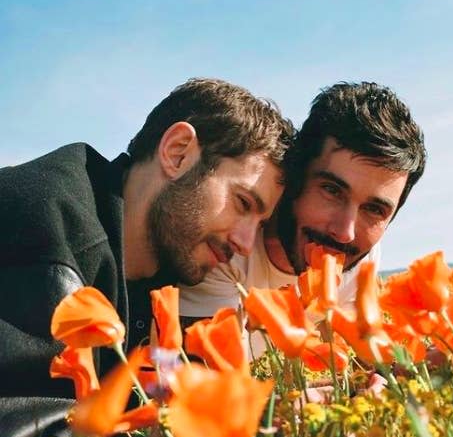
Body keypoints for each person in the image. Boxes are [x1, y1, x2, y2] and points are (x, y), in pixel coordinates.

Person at [0, 78, 293, 435]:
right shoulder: (48, 234)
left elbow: (153, 397)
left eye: (261, 225)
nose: (247, 244)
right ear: (178, 152)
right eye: (243, 203)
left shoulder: (160, 269)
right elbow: (28, 422)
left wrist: (270, 416)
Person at [179, 82, 427, 349]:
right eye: (332, 190)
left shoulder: (359, 255)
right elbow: (211, 382)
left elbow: (348, 361)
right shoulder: (226, 245)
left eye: (374, 210)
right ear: (294, 177)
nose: (345, 232)